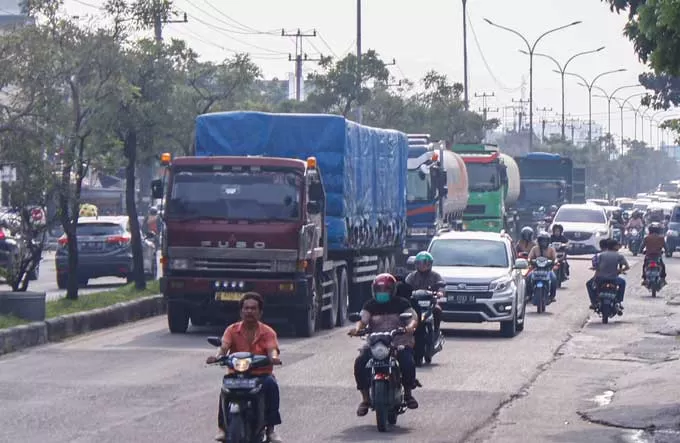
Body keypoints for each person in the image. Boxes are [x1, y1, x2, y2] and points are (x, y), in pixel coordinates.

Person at [206, 293, 283, 443]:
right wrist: (217, 357)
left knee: (271, 385)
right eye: (246, 308)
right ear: (241, 312)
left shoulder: (268, 332)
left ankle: (271, 430)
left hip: (260, 375)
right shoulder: (232, 330)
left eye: (253, 308)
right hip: (237, 374)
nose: (249, 311)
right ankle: (222, 428)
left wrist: (273, 358)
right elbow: (223, 347)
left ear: (260, 312)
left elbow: (272, 349)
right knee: (225, 388)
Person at [349, 273, 419, 416]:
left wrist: (410, 327)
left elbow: (412, 318)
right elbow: (362, 320)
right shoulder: (370, 305)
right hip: (376, 344)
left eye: (386, 289)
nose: (382, 293)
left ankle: (408, 393)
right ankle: (365, 399)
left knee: (407, 362)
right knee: (360, 362)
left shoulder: (402, 303)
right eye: (379, 290)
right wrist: (357, 329)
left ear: (392, 290)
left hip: (398, 342)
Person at [405, 251, 445, 334]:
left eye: (425, 263)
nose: (422, 266)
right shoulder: (411, 276)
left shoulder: (435, 275)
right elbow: (405, 287)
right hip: (415, 302)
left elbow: (441, 286)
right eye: (419, 263)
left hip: (431, 302)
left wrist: (439, 293)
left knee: (437, 310)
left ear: (430, 264)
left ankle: (436, 330)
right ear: (416, 264)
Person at [586, 238, 629, 311]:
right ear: (614, 246)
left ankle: (594, 302)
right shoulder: (619, 256)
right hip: (613, 278)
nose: (618, 247)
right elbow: (627, 267)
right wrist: (619, 271)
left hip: (600, 278)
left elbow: (597, 267)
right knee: (623, 282)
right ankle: (619, 300)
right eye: (617, 245)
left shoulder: (601, 255)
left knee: (589, 284)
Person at [527, 231, 558, 301]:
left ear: (548, 241)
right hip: (536, 269)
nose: (543, 242)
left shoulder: (551, 249)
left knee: (554, 279)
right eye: (542, 240)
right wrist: (529, 260)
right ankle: (529, 295)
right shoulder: (534, 248)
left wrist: (555, 262)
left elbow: (555, 258)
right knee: (528, 278)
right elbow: (530, 257)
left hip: (548, 270)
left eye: (545, 240)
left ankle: (552, 296)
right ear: (539, 241)